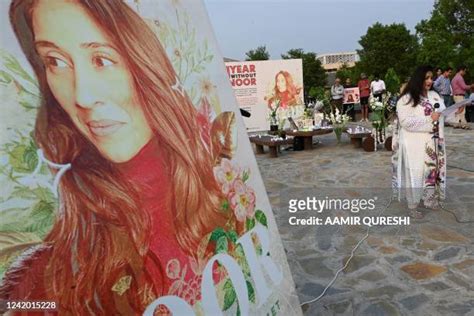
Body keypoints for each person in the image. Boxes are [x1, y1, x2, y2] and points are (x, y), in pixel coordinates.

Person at [2, 0, 237, 313]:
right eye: (55, 61)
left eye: (102, 59)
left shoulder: (219, 180)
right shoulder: (47, 277)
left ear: (147, 61)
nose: (82, 96)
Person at [392, 66, 446, 219]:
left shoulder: (435, 95)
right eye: (426, 78)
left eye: (431, 78)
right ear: (419, 79)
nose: (430, 81)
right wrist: (430, 120)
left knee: (431, 171)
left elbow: (441, 113)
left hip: (433, 142)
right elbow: (405, 121)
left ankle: (429, 199)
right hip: (414, 144)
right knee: (415, 173)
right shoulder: (406, 99)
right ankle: (412, 205)